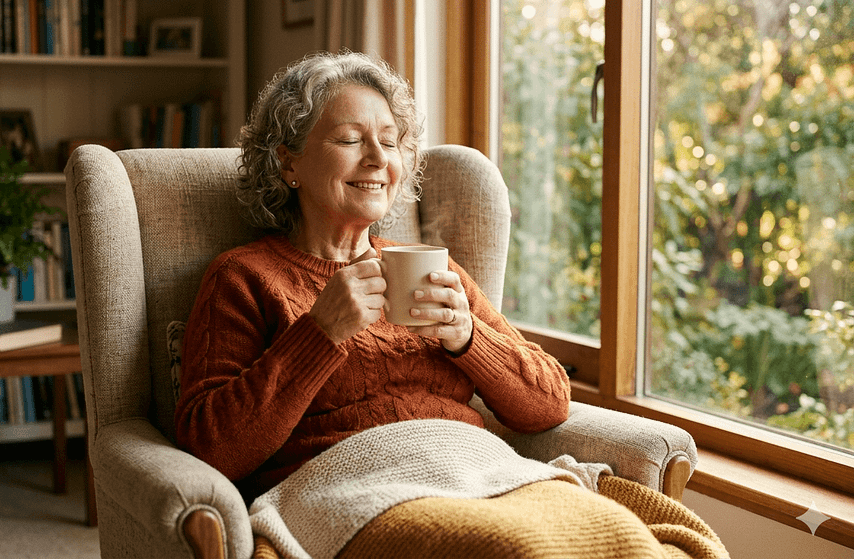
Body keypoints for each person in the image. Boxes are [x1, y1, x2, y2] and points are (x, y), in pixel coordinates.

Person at [173, 51, 723, 558]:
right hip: (351, 491)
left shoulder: (433, 269)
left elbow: (550, 401)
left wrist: (467, 338)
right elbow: (211, 446)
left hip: (480, 474)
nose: (376, 159)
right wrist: (320, 334)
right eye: (349, 139)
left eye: (389, 142)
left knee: (634, 544)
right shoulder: (243, 276)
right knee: (521, 551)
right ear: (287, 161)